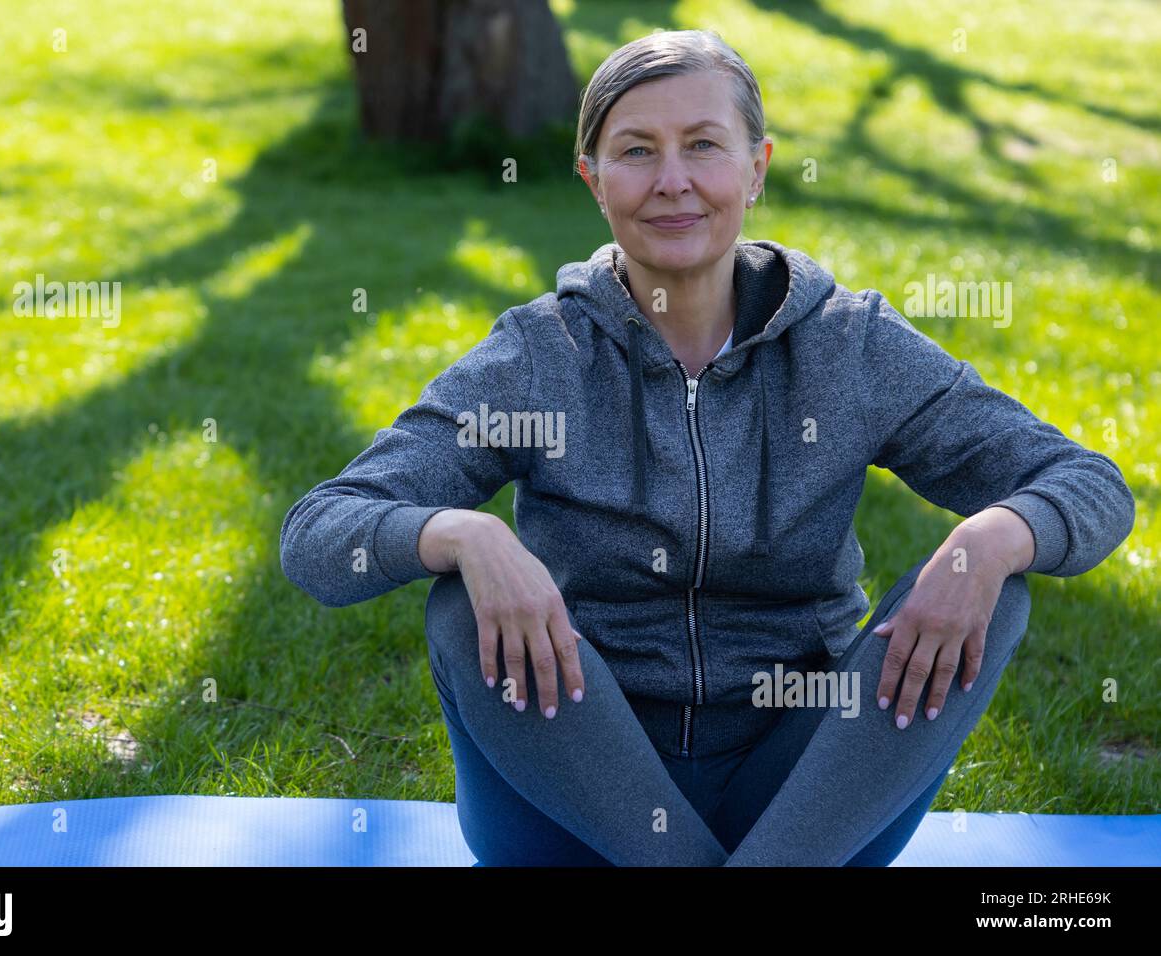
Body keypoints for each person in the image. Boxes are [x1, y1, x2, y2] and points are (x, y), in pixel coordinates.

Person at [279, 29, 1135, 865]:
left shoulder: (851, 348)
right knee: (463, 601)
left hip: (799, 797)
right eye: (638, 151)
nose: (674, 182)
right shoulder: (538, 358)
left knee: (995, 583)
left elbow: (1086, 484)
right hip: (573, 792)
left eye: (703, 146)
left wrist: (990, 539)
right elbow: (320, 535)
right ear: (593, 179)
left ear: (756, 168)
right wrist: (465, 534)